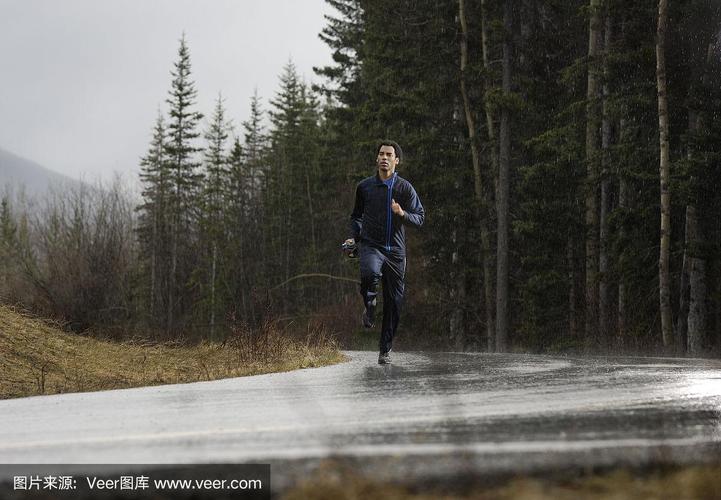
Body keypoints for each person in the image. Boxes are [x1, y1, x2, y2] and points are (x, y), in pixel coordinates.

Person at [343, 140, 425, 364]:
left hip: (396, 252)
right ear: (377, 159)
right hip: (371, 245)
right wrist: (354, 238)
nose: (384, 158)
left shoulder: (405, 188)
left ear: (396, 161)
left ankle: (384, 350)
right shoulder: (365, 187)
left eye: (389, 155)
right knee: (369, 275)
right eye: (381, 154)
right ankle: (369, 305)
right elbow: (356, 216)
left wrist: (402, 214)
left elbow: (420, 218)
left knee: (394, 302)